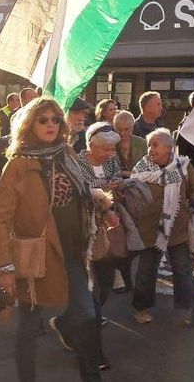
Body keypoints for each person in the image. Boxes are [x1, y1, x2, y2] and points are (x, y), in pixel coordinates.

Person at [0, 96, 108, 381]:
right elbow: (0, 219)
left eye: (55, 119)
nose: (51, 125)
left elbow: (81, 192)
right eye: (43, 120)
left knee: (88, 317)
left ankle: (91, 376)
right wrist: (1, 264)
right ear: (30, 124)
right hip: (36, 256)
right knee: (29, 325)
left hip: (74, 250)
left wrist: (100, 205)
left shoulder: (65, 154)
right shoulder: (17, 164)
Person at [129, 128, 194, 325]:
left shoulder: (184, 166)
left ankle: (185, 309)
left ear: (169, 148)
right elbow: (132, 194)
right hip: (149, 230)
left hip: (178, 230)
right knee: (146, 271)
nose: (150, 149)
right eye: (149, 145)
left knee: (182, 270)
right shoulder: (140, 169)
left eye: (155, 145)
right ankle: (141, 308)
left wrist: (192, 203)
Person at [77, 122, 127, 311]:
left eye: (112, 148)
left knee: (105, 273)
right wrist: (105, 187)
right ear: (92, 146)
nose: (110, 153)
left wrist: (104, 186)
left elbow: (116, 179)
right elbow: (83, 188)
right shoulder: (77, 162)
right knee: (87, 274)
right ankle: (89, 315)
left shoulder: (111, 160)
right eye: (106, 149)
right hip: (85, 224)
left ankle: (94, 312)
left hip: (109, 220)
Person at [112, 110, 145, 174]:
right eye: (119, 129)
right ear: (115, 128)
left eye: (126, 129)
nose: (122, 133)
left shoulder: (142, 144)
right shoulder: (109, 144)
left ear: (132, 127)